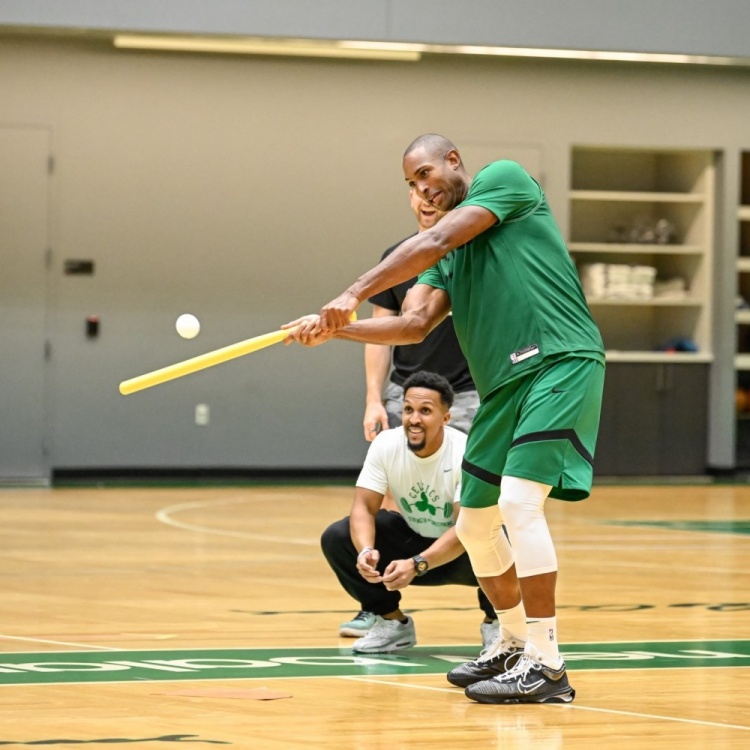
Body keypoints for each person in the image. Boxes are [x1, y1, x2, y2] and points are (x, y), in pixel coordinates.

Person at [284, 134, 605, 705]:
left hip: (557, 360)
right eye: (410, 184)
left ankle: (548, 663)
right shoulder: (449, 259)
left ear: (453, 162)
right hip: (503, 387)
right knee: (478, 522)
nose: (421, 188)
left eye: (425, 173)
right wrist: (339, 327)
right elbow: (412, 325)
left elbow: (433, 239)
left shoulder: (504, 179)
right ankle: (509, 643)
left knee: (518, 504)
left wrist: (351, 293)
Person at [340, 188, 480, 640]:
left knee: (478, 506)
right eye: (415, 190)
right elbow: (383, 333)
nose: (424, 199)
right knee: (401, 500)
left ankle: (497, 620)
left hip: (466, 393)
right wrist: (373, 397)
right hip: (408, 389)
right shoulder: (396, 258)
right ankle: (381, 606)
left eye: (431, 190)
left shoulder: (468, 258)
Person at [321, 370, 497, 653]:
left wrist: (418, 564)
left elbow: (467, 528)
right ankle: (392, 624)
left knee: (501, 536)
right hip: (413, 546)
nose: (414, 419)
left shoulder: (466, 452)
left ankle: (497, 625)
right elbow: (364, 507)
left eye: (425, 411)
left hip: (465, 555)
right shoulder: (386, 444)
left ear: (446, 418)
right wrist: (366, 551)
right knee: (338, 536)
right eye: (408, 409)